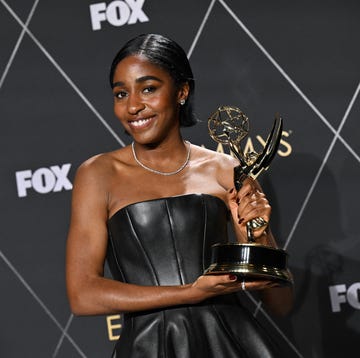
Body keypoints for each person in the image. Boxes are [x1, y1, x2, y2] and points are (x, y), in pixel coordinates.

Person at [66, 33, 293, 357]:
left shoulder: (225, 168)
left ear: (182, 91)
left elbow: (280, 302)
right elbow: (83, 295)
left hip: (229, 343)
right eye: (121, 93)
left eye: (148, 88)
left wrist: (259, 232)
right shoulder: (97, 174)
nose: (133, 105)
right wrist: (191, 292)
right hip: (148, 347)